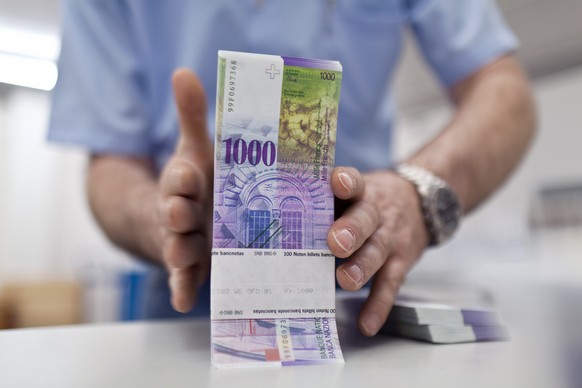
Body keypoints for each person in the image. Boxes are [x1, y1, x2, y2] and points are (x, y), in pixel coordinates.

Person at [49, 0, 536, 336]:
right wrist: (165, 217)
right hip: (188, 302)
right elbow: (110, 163)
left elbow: (505, 95)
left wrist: (413, 196)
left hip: (356, 286)